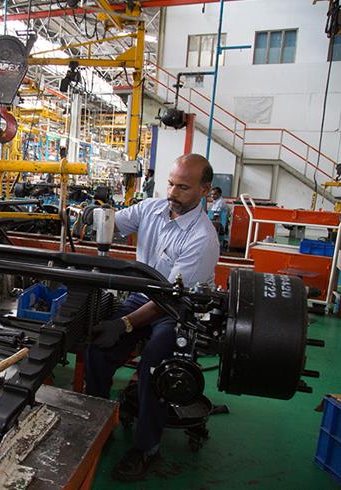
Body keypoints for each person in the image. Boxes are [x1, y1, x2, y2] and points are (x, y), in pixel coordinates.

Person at [85, 153, 220, 481]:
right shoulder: (152, 209)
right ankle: (98, 425)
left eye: (183, 188)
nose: (173, 193)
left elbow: (170, 300)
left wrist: (125, 324)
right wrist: (96, 215)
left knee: (158, 369)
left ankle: (146, 448)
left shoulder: (203, 238)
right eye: (170, 184)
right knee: (97, 350)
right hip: (141, 297)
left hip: (178, 310)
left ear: (205, 190)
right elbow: (114, 224)